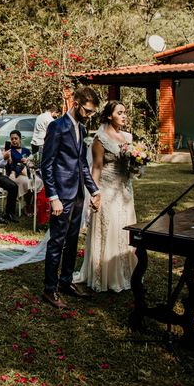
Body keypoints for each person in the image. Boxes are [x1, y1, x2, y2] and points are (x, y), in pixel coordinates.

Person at [40, 85, 101, 309]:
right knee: (57, 241)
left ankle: (65, 282)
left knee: (73, 240)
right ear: (76, 104)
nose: (90, 116)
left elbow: (82, 164)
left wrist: (94, 190)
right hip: (61, 195)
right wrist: (53, 196)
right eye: (87, 111)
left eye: (93, 112)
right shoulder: (57, 126)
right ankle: (50, 289)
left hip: (77, 194)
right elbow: (46, 165)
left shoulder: (82, 129)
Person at [73, 101, 137, 292]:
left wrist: (137, 165)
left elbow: (131, 162)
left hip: (124, 188)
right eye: (120, 113)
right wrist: (95, 192)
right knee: (110, 228)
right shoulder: (100, 139)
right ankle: (106, 275)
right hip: (107, 189)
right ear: (109, 116)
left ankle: (126, 272)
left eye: (125, 112)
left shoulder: (127, 136)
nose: (124, 115)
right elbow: (97, 168)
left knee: (125, 229)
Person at [5, 130, 34, 216]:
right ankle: (27, 206)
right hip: (14, 174)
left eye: (16, 138)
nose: (14, 140)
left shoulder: (26, 150)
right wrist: (9, 159)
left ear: (20, 139)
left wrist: (28, 162)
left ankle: (34, 206)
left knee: (38, 181)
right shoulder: (9, 151)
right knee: (26, 182)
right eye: (12, 139)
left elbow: (31, 162)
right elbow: (8, 167)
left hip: (27, 173)